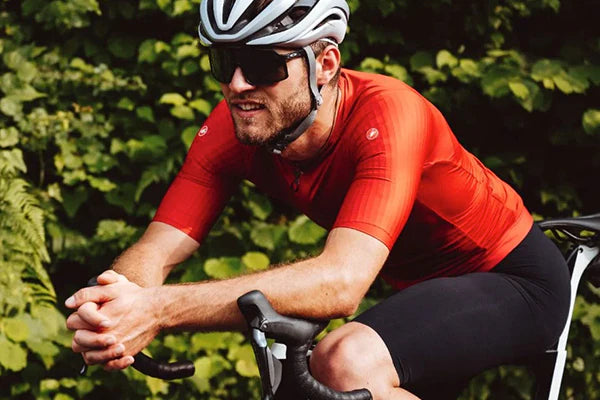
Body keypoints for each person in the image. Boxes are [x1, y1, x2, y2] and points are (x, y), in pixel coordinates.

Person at [65, 1, 571, 399]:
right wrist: (113, 306)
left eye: (262, 64)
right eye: (224, 61)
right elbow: (158, 248)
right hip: (419, 292)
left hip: (515, 278)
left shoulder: (390, 115)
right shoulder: (237, 126)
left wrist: (158, 309)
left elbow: (341, 282)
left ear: (325, 63)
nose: (237, 84)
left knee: (342, 363)